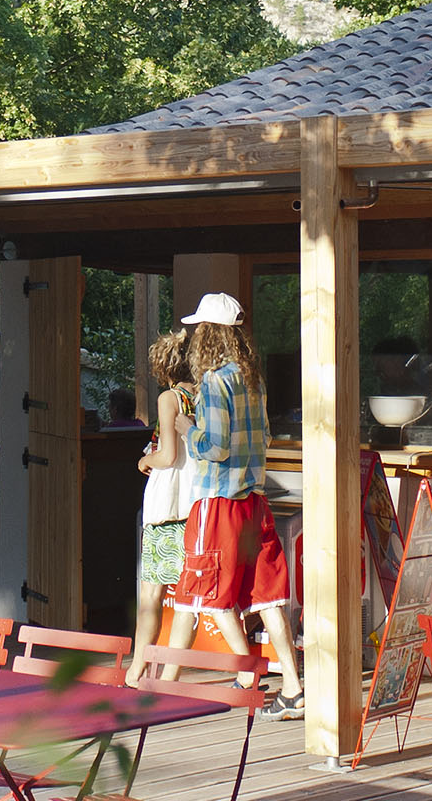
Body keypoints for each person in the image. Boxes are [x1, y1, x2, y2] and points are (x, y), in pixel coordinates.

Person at [162, 292, 308, 716]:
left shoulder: (214, 381)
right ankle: (292, 687)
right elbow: (262, 438)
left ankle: (248, 674)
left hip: (218, 504)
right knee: (267, 596)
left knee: (211, 593)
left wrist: (188, 428)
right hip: (254, 501)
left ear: (208, 334)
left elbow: (216, 447)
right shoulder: (253, 380)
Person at [132, 330, 197, 667]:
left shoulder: (169, 399)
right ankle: (172, 671)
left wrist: (145, 460)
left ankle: (138, 668)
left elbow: (168, 456)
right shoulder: (204, 397)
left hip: (167, 506)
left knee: (151, 596)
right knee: (189, 597)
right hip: (196, 505)